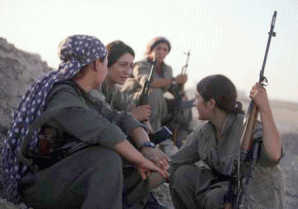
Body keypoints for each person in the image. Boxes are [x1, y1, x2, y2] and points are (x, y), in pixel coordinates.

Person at [1, 35, 168, 209]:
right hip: (39, 186)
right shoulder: (62, 97)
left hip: (65, 178)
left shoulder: (84, 96)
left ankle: (127, 202)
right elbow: (104, 130)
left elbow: (122, 118)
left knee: (127, 157)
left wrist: (147, 149)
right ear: (97, 64)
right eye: (105, 63)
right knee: (106, 158)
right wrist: (140, 159)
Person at [169, 74, 285, 209]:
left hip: (255, 201)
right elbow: (174, 163)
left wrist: (264, 107)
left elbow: (274, 155)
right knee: (182, 175)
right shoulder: (205, 131)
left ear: (211, 103)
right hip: (227, 190)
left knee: (216, 198)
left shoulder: (247, 128)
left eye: (197, 98)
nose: (194, 103)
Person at [89, 40, 169, 207]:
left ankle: (139, 195)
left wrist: (143, 122)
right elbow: (99, 125)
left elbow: (127, 109)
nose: (127, 71)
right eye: (123, 65)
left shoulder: (114, 90)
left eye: (130, 66)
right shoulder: (94, 89)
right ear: (106, 64)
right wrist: (133, 116)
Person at [121, 36, 189, 156]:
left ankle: (181, 137)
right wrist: (173, 80)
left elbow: (171, 88)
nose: (161, 52)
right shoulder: (141, 64)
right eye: (158, 48)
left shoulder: (167, 69)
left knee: (184, 101)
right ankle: (154, 134)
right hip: (135, 98)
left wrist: (180, 88)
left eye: (165, 49)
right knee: (155, 92)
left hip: (156, 104)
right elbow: (147, 83)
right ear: (150, 50)